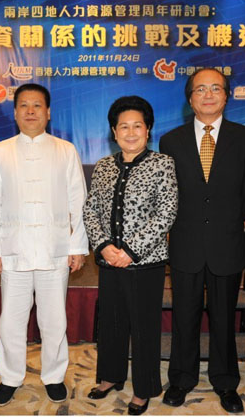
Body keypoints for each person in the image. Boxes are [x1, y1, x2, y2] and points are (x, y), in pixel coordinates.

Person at [159, 68, 245, 413]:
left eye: (216, 88)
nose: (208, 95)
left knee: (224, 318)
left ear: (227, 96)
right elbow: (169, 193)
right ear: (190, 100)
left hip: (227, 243)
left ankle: (226, 382)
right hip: (185, 243)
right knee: (184, 316)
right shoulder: (170, 141)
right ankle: (181, 379)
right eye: (200, 89)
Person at [0, 83, 89, 406]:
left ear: (48, 112)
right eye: (24, 106)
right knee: (11, 321)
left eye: (37, 105)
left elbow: (78, 201)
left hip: (55, 249)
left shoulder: (65, 150)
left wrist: (77, 246)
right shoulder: (0, 151)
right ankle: (10, 377)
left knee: (54, 320)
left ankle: (54, 376)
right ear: (15, 113)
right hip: (12, 250)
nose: (30, 111)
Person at [83, 96, 178, 415]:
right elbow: (90, 209)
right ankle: (110, 376)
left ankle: (144, 388)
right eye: (124, 126)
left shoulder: (162, 163)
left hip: (145, 263)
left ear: (148, 129)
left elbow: (166, 212)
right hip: (109, 260)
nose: (131, 132)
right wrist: (103, 246)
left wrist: (131, 251)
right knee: (111, 322)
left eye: (138, 125)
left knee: (143, 327)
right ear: (114, 131)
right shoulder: (103, 166)